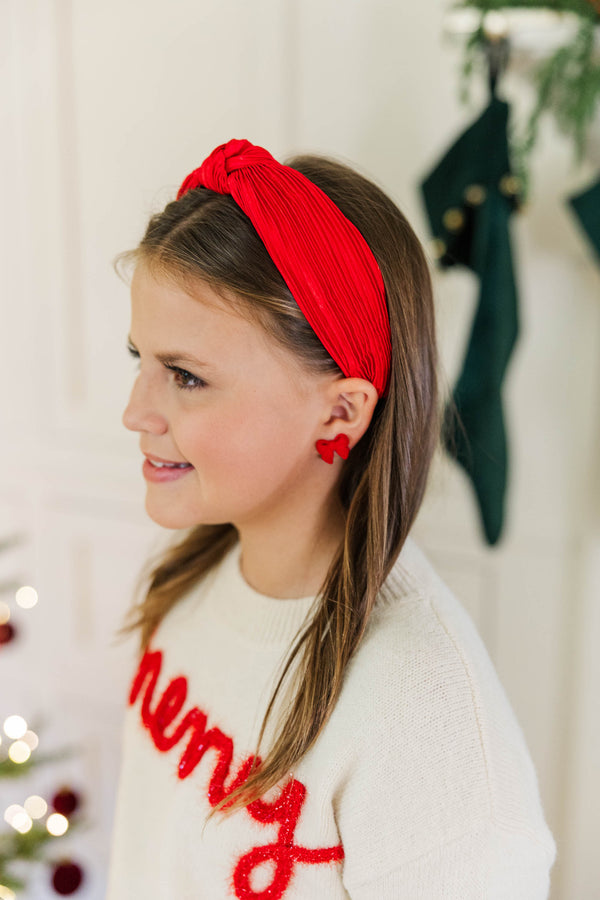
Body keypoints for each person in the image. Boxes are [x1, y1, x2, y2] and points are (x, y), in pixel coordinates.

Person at [106, 139, 556, 899]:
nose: (135, 412)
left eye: (185, 376)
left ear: (340, 412)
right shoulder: (189, 576)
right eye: (139, 359)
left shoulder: (429, 720)